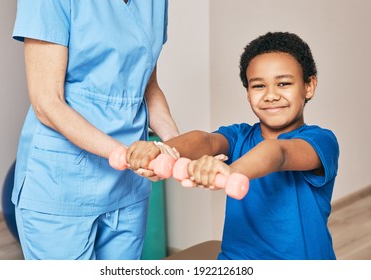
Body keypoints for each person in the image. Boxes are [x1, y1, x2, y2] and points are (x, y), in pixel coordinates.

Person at [126, 32, 339, 260]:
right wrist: (161, 149)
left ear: (309, 86)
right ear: (248, 93)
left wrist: (232, 171)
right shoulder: (239, 136)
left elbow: (279, 153)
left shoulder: (320, 140)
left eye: (283, 83)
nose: (270, 95)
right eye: (258, 86)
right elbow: (205, 140)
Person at [11, 0, 179, 260]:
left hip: (128, 184)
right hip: (62, 179)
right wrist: (126, 155)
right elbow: (47, 103)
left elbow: (147, 87)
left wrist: (178, 147)